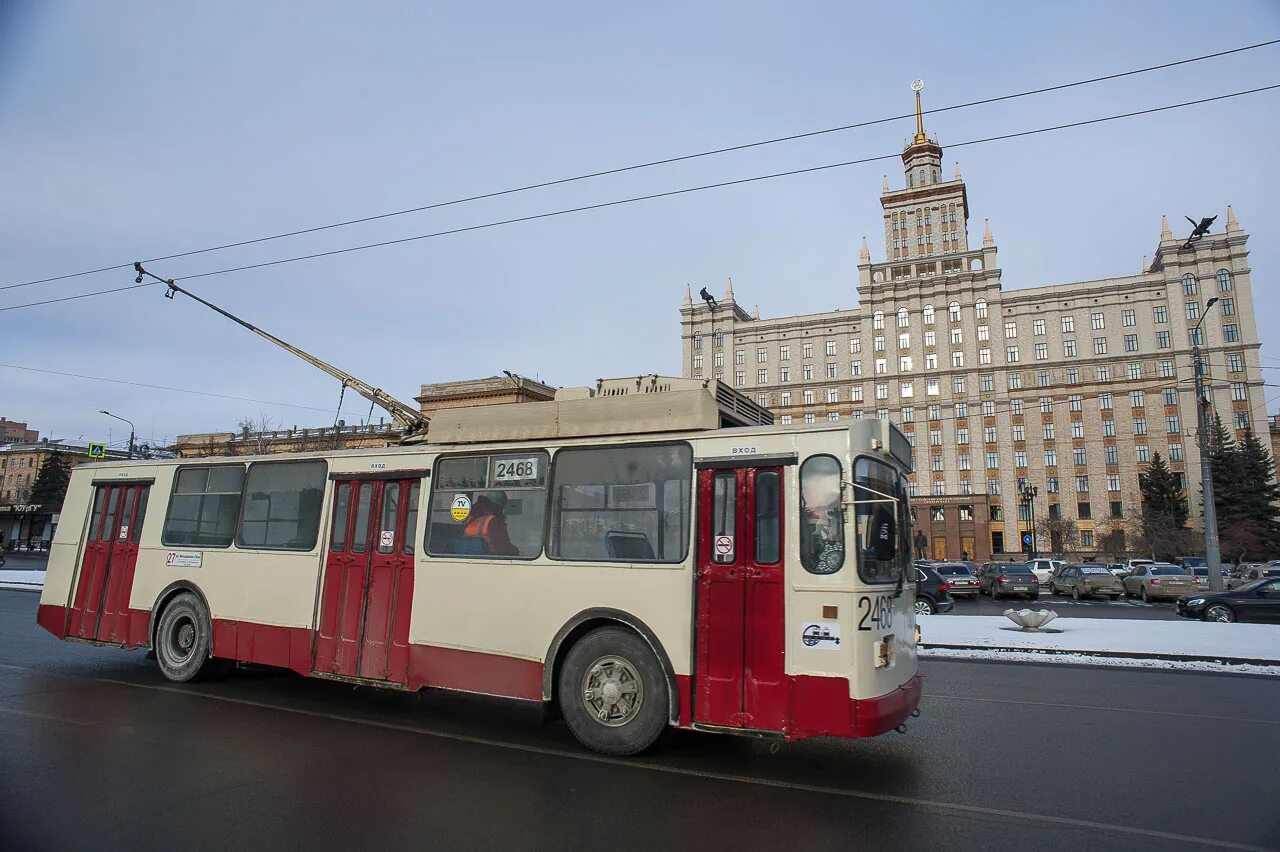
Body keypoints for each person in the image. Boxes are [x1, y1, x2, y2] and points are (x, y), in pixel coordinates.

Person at [462, 492, 519, 556]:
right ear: (498, 506)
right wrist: (515, 550)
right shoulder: (493, 521)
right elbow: (503, 548)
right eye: (502, 507)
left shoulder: (472, 519)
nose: (502, 510)